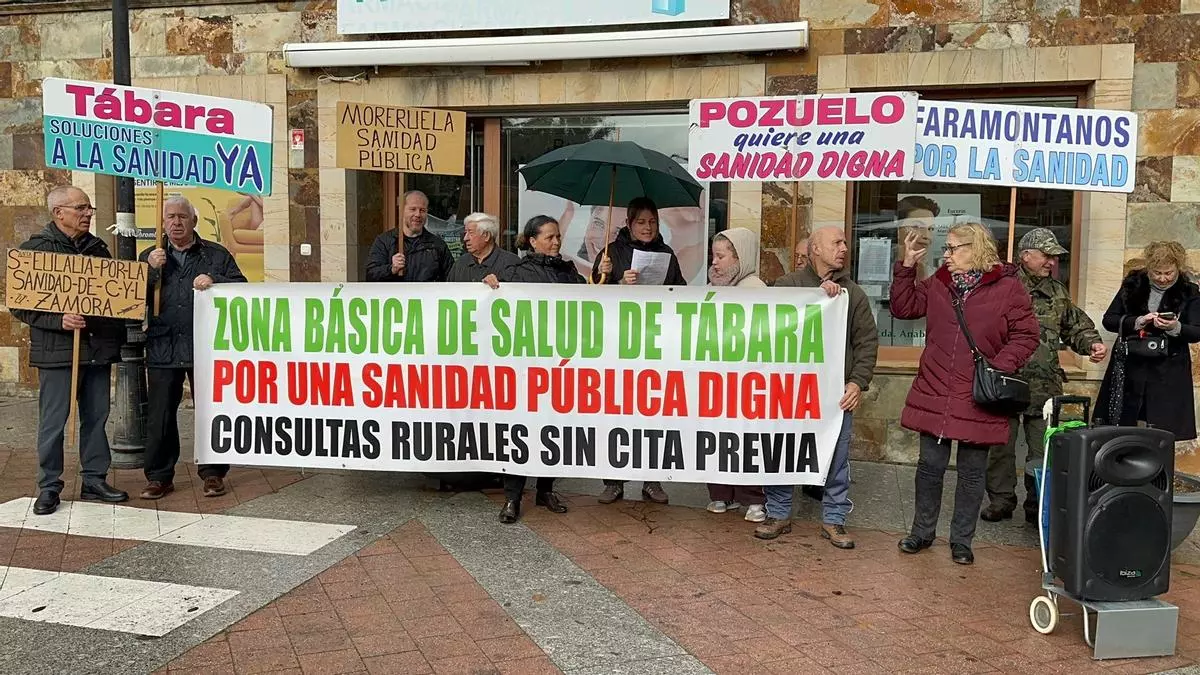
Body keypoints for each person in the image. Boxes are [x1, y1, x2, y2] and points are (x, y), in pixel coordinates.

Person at [890, 222, 1039, 565]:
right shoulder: (940, 282)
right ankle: (921, 532)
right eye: (946, 248)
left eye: (953, 248)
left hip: (978, 394)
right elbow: (903, 307)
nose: (946, 254)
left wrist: (997, 367)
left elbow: (1026, 335)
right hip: (936, 387)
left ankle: (961, 541)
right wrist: (907, 266)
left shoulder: (1008, 288)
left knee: (972, 473)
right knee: (929, 467)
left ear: (976, 249)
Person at [755, 226, 879, 548]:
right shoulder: (787, 286)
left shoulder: (854, 294)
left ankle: (834, 519)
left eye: (845, 242)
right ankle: (778, 513)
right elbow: (766, 328)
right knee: (782, 451)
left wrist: (857, 382)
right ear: (816, 250)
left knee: (836, 458)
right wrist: (814, 297)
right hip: (791, 392)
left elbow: (866, 342)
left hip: (834, 396)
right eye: (836, 242)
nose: (844, 248)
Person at [12, 186, 128, 515]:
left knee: (96, 418)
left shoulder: (98, 249)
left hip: (96, 350)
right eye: (81, 208)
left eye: (89, 208)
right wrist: (58, 320)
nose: (88, 213)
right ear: (58, 213)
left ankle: (94, 479)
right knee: (53, 423)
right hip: (57, 354)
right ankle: (49, 486)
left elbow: (113, 297)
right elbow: (20, 306)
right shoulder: (35, 251)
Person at [981, 228, 1106, 524]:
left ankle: (1037, 503)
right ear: (1026, 255)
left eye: (1054, 257)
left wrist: (1092, 343)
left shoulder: (1057, 291)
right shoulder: (1002, 286)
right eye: (1046, 255)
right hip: (1006, 383)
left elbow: (1075, 325)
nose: (1051, 262)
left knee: (1043, 450)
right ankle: (1001, 500)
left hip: (1044, 387)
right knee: (1000, 448)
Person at [138, 196, 247, 500]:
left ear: (194, 221)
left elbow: (241, 287)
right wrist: (150, 271)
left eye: (182, 217)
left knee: (211, 411)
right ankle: (159, 477)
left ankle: (213, 473)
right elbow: (130, 296)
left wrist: (215, 279)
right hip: (164, 345)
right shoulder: (149, 256)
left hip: (206, 347)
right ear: (162, 223)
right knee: (160, 415)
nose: (176, 222)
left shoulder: (216, 254)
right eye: (170, 217)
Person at [484, 215, 579, 523]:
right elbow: (492, 300)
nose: (556, 242)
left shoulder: (569, 272)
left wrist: (600, 278)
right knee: (522, 430)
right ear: (532, 241)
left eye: (558, 236)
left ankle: (545, 490)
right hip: (526, 367)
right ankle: (512, 497)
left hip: (558, 364)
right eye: (549, 237)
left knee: (553, 428)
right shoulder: (516, 272)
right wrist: (489, 284)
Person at [591, 197, 684, 505]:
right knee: (615, 414)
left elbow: (682, 293)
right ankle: (613, 481)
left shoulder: (666, 254)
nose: (647, 227)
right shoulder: (611, 253)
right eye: (641, 222)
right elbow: (592, 297)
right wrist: (612, 279)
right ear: (629, 224)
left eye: (652, 222)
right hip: (618, 347)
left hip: (655, 346)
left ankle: (651, 481)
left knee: (653, 416)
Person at [1094, 241, 1200, 440]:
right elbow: (1109, 320)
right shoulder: (1133, 284)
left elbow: (1196, 331)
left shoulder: (1189, 290)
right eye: (1156, 273)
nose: (1162, 278)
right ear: (1149, 268)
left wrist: (1174, 327)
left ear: (1178, 268)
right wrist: (1138, 321)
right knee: (1123, 428)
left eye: (1168, 273)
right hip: (1130, 365)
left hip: (1168, 369)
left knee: (1162, 432)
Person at [703, 228, 768, 523]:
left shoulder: (757, 290)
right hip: (715, 381)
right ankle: (720, 493)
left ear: (740, 258)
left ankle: (753, 499)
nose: (714, 263)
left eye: (721, 256)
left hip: (747, 381)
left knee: (747, 439)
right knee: (715, 437)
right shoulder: (709, 289)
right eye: (713, 256)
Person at [365, 190, 454, 283]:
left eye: (422, 210)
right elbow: (371, 276)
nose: (418, 214)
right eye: (413, 209)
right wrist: (391, 269)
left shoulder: (437, 245)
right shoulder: (385, 242)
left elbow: (451, 279)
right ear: (402, 211)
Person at [447, 212, 518, 283]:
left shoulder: (510, 263)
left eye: (471, 233)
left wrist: (497, 283)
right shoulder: (460, 263)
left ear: (486, 236)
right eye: (465, 233)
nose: (465, 238)